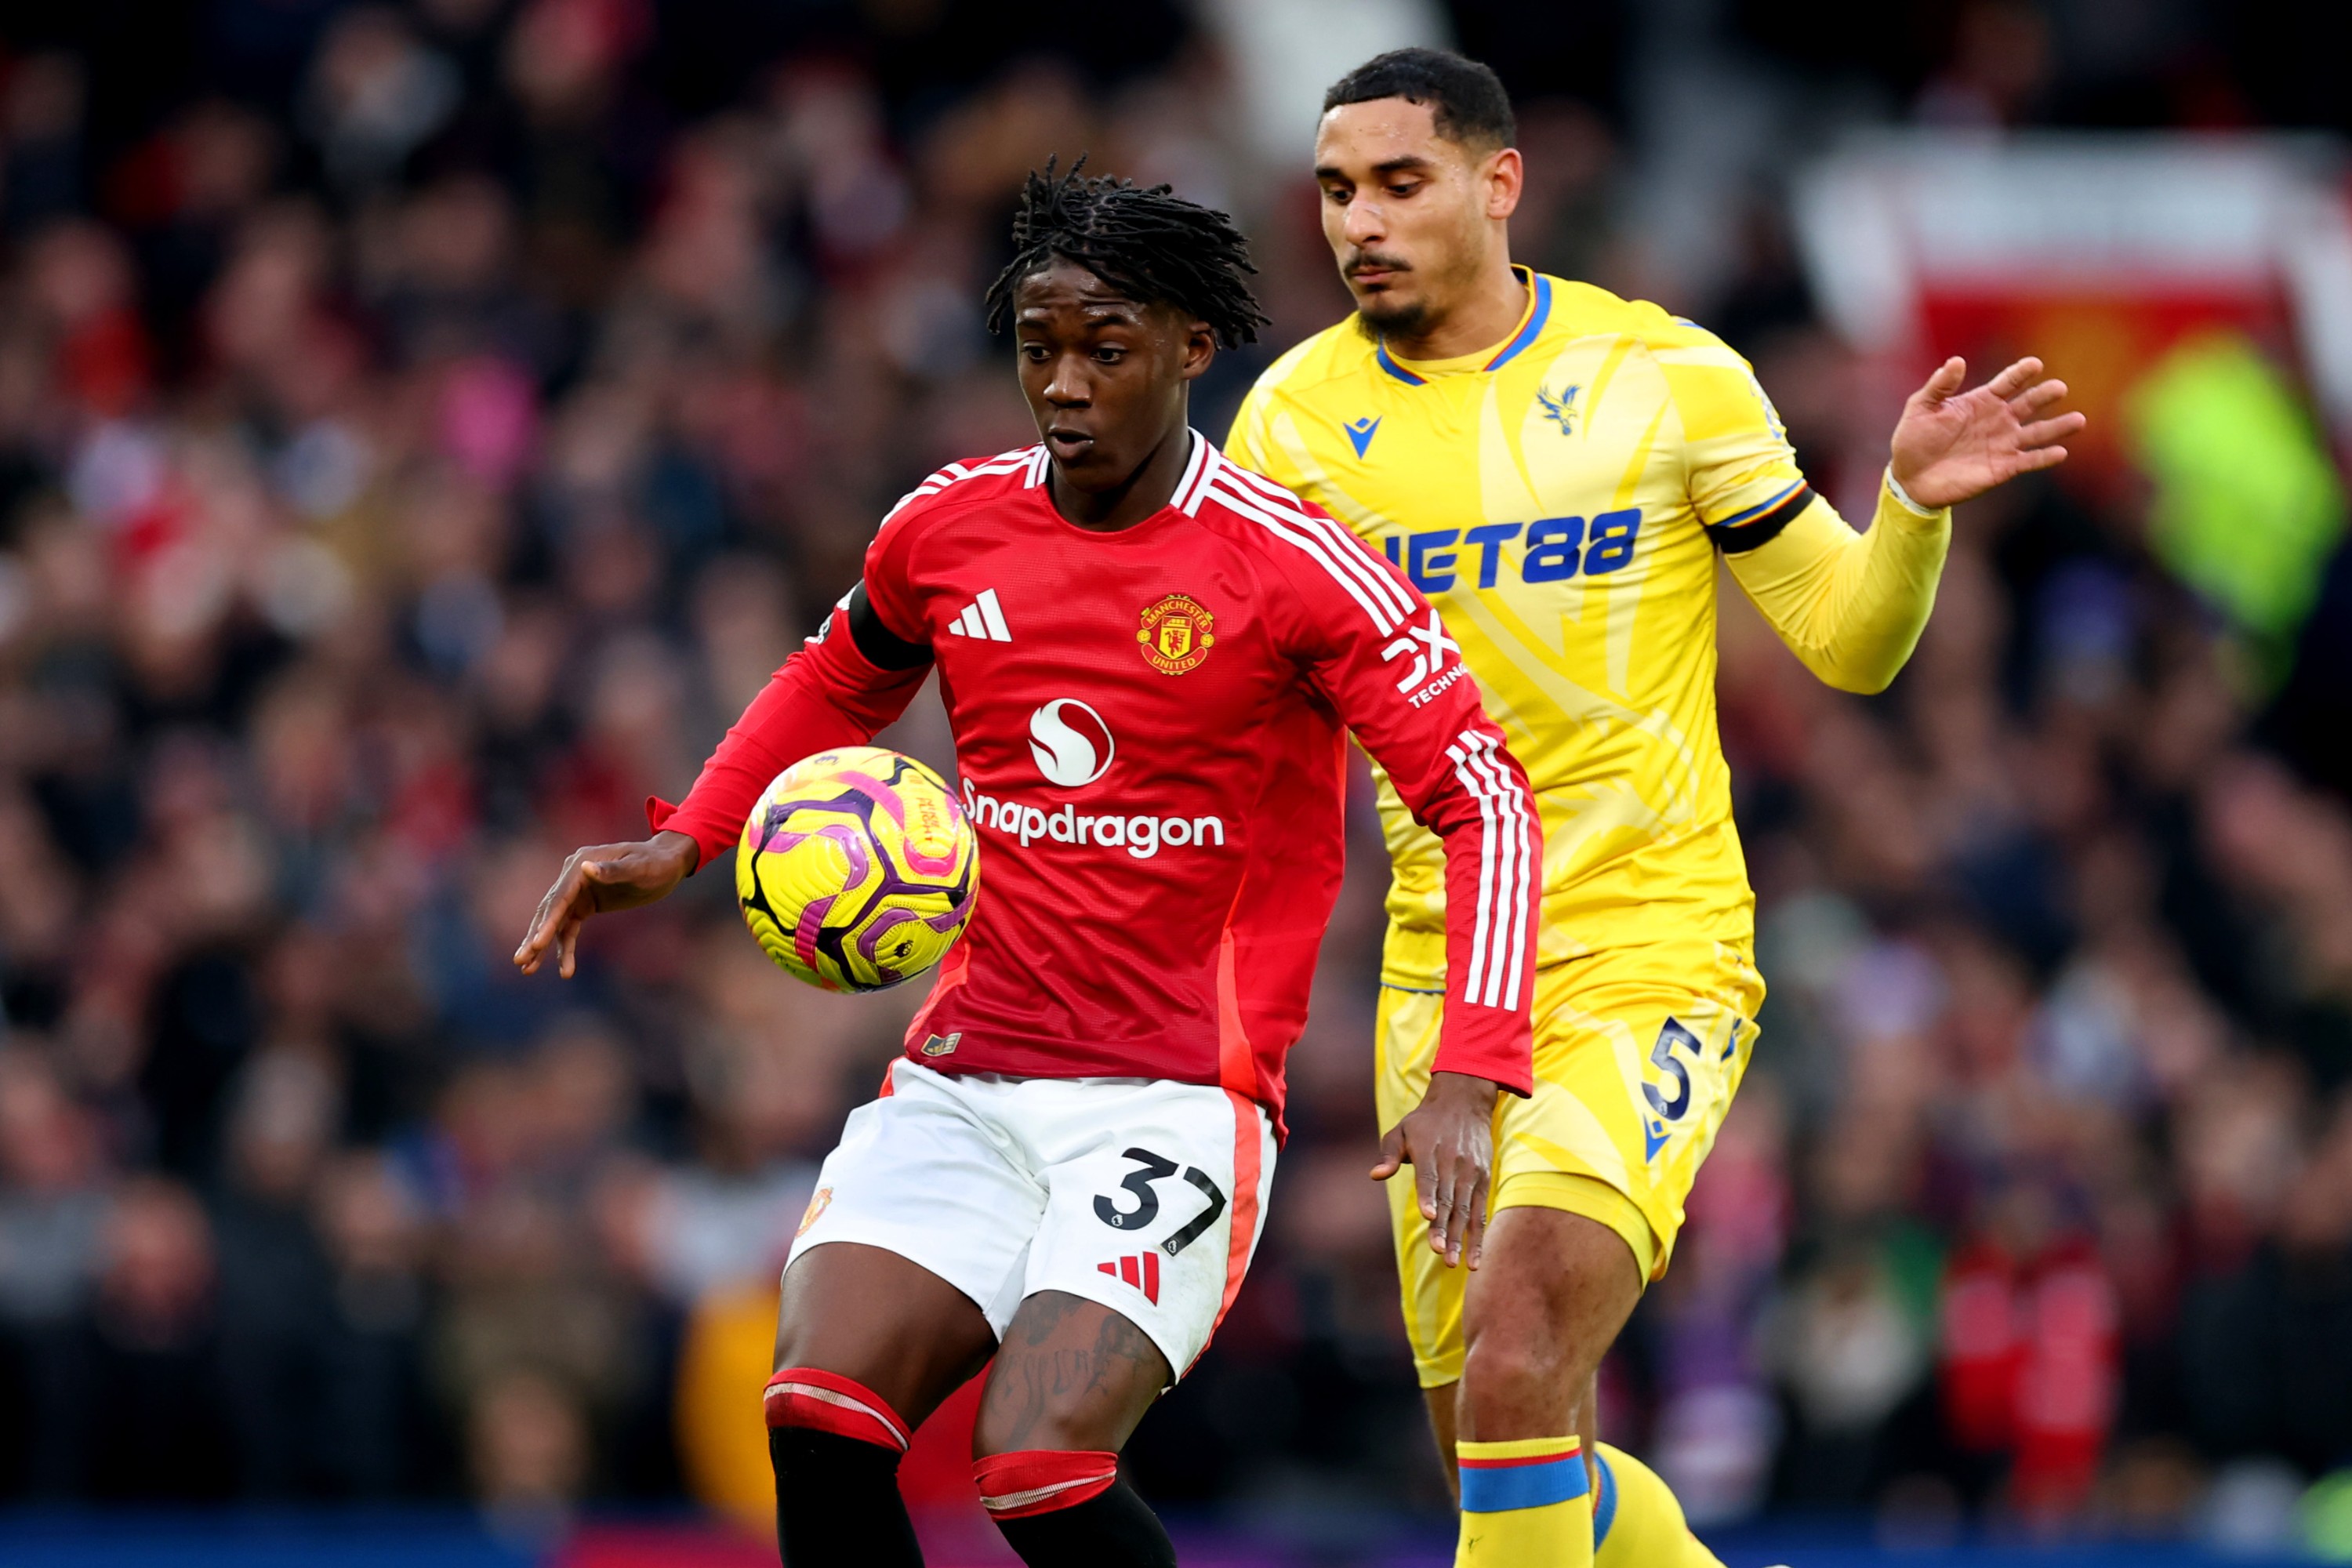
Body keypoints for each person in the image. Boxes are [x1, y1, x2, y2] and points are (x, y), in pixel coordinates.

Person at [512, 164, 1541, 1568]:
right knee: (817, 1410)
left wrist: (1474, 1070)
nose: (1062, 385)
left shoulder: (1293, 569)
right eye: (1037, 349)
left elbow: (1481, 791)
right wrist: (689, 837)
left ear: (1189, 347)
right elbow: (838, 679)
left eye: (1102, 350)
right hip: (968, 1076)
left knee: (1036, 1465)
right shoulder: (949, 527)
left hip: (1174, 1103)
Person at [1227, 48, 2085, 1568]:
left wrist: (1907, 515)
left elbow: (1851, 640)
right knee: (1506, 1449)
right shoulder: (1290, 427)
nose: (1359, 219)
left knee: (1518, 1347)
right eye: (1337, 189)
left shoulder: (1670, 379)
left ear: (1499, 186)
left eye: (1399, 183)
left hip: (1652, 950)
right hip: (1440, 980)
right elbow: (1247, 720)